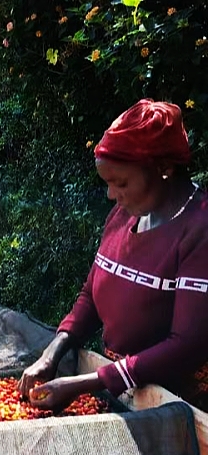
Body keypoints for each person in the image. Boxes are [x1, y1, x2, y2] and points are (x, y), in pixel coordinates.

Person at [19, 99, 208, 412]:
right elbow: (91, 296)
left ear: (164, 169)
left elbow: (186, 346)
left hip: (177, 412)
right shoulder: (123, 215)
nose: (111, 195)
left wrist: (86, 382)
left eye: (120, 183)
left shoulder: (199, 230)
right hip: (123, 393)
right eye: (107, 183)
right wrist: (54, 350)